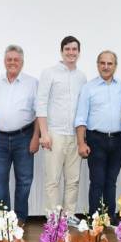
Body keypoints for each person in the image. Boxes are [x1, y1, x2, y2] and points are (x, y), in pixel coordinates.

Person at [37, 36, 87, 214]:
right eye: (67, 49)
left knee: (73, 180)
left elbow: (83, 108)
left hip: (75, 136)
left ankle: (69, 216)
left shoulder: (82, 77)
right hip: (54, 134)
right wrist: (44, 134)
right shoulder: (49, 73)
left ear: (79, 53)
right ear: (62, 51)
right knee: (53, 180)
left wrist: (82, 138)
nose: (71, 52)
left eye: (74, 49)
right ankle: (53, 219)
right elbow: (40, 104)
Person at [0, 45, 39, 222]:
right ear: (4, 62)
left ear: (22, 62)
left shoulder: (33, 83)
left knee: (24, 181)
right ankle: (4, 220)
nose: (12, 63)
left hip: (24, 137)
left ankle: (20, 219)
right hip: (0, 138)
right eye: (9, 59)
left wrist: (36, 137)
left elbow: (39, 113)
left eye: (16, 59)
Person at [74, 51, 121, 218]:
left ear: (115, 66)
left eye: (109, 63)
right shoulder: (88, 88)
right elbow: (81, 117)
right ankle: (94, 218)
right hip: (96, 139)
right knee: (97, 182)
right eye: (102, 63)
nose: (106, 66)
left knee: (111, 182)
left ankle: (110, 218)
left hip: (118, 140)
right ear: (97, 65)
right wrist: (81, 143)